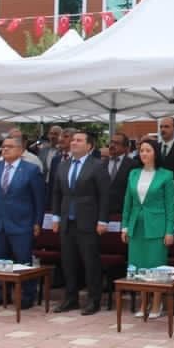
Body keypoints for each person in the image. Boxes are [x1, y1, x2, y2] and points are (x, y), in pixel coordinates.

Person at [51, 132, 110, 315]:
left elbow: (105, 195)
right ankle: (71, 298)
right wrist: (56, 217)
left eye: (79, 140)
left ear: (89, 146)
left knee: (90, 262)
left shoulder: (97, 166)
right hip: (67, 221)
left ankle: (94, 299)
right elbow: (56, 193)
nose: (74, 143)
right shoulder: (63, 165)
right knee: (68, 262)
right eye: (73, 140)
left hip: (88, 221)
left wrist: (102, 220)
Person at [0, 137, 45, 310]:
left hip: (22, 223)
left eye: (10, 147)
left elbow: (39, 199)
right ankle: (2, 293)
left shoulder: (31, 170)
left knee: (23, 260)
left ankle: (27, 295)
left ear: (20, 150)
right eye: (3, 147)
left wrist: (37, 222)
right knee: (0, 260)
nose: (5, 149)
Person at [122, 139, 174, 318]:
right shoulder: (133, 173)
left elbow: (171, 206)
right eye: (142, 150)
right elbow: (128, 203)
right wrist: (124, 227)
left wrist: (170, 230)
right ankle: (143, 303)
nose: (144, 154)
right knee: (138, 266)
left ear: (156, 153)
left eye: (148, 150)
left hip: (157, 227)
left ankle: (156, 303)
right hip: (136, 226)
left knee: (156, 266)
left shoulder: (166, 175)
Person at [102, 132, 137, 217]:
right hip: (103, 212)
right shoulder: (102, 164)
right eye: (111, 142)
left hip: (123, 212)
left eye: (116, 143)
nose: (112, 145)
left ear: (125, 147)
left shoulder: (133, 165)